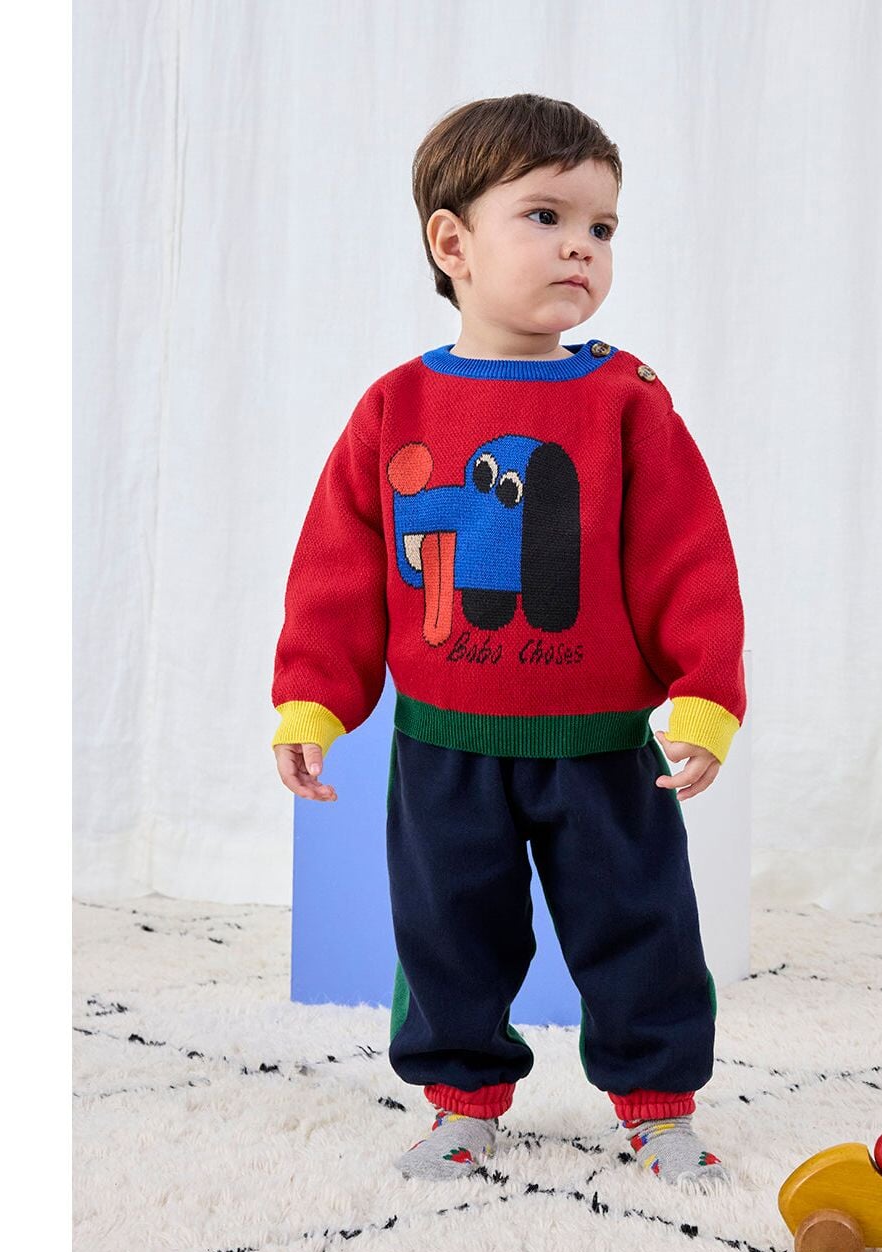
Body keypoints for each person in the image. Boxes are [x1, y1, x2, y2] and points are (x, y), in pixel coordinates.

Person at [271, 93, 745, 1189]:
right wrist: (312, 699)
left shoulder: (626, 400)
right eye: (546, 216)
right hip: (446, 744)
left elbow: (688, 556)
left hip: (600, 745)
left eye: (602, 226)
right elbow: (338, 569)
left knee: (640, 923)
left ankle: (658, 1106)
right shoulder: (395, 406)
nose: (581, 245)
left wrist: (704, 693)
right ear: (454, 244)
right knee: (448, 930)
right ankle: (462, 1104)